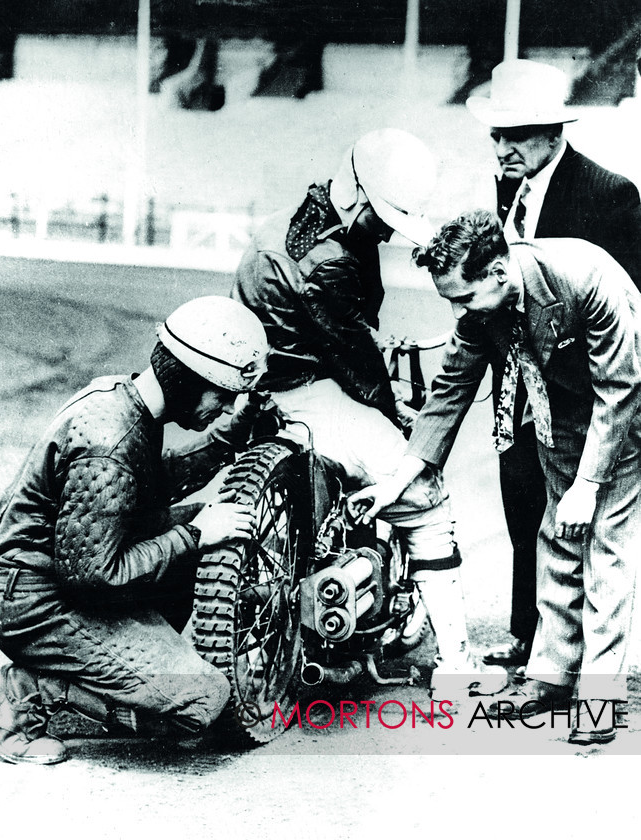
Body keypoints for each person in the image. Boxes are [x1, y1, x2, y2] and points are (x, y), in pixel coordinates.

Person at [232, 129, 506, 702]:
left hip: (274, 385)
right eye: (382, 218)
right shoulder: (328, 258)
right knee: (423, 493)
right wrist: (405, 423)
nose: (385, 231)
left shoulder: (305, 219)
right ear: (356, 192)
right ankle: (457, 663)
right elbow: (356, 364)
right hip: (312, 391)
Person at [350, 210, 641, 744]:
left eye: (463, 298)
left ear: (499, 274)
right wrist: (403, 476)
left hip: (622, 424)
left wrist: (589, 485)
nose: (458, 314)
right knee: (556, 541)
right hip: (559, 420)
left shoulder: (587, 279)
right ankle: (551, 678)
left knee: (606, 551)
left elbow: (621, 390)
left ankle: (600, 700)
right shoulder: (484, 306)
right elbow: (451, 387)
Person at [0, 295, 270, 765]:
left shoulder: (125, 398)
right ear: (189, 380)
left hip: (45, 574)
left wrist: (233, 432)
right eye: (223, 394)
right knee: (203, 702)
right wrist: (195, 536)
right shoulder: (110, 442)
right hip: (35, 603)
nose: (227, 405)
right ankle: (29, 693)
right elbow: (92, 577)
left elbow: (147, 489)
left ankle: (112, 673)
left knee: (200, 523)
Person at [464, 59, 641, 671]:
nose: (502, 147)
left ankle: (596, 679)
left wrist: (595, 458)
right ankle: (530, 639)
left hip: (592, 398)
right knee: (524, 505)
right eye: (496, 134)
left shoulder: (609, 194)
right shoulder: (505, 188)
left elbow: (621, 323)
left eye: (515, 135)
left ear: (554, 133)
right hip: (518, 385)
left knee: (595, 540)